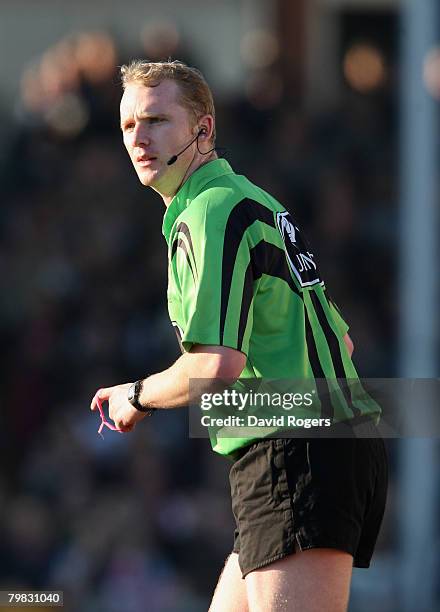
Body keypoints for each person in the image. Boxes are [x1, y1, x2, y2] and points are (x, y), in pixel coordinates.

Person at [90, 59, 388, 612]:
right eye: (129, 125)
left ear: (204, 130)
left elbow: (214, 366)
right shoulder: (252, 202)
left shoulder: (211, 211)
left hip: (298, 449)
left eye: (157, 120)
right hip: (317, 448)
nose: (139, 138)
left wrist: (135, 396)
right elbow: (341, 344)